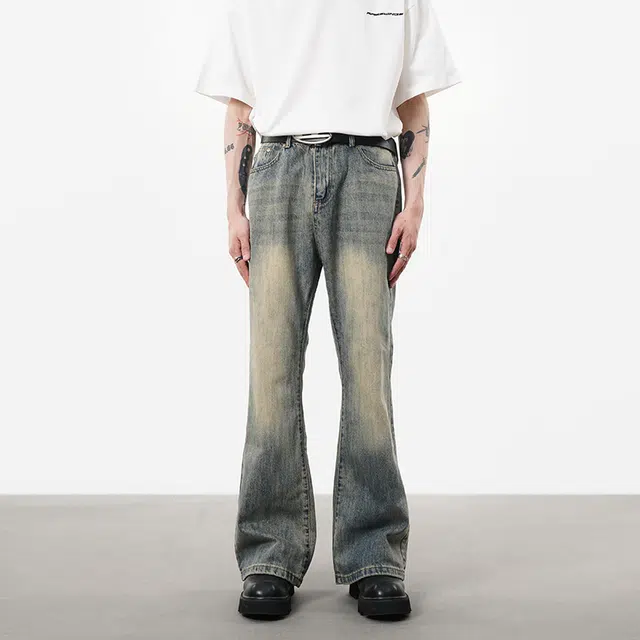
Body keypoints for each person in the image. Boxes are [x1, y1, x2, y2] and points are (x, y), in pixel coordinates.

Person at [195, 0, 461, 620]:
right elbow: (240, 106)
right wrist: (234, 208)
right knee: (271, 371)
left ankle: (374, 556)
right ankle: (269, 554)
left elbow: (414, 101)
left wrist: (415, 203)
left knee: (368, 372)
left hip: (368, 170)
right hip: (277, 170)